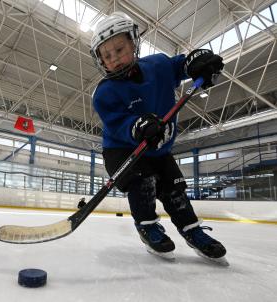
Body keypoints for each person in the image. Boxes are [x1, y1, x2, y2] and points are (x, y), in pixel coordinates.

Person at [91, 12, 227, 262]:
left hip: (158, 149)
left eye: (120, 49)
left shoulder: (158, 65)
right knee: (142, 181)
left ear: (133, 44)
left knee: (174, 187)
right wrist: (139, 126)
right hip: (122, 151)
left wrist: (197, 62)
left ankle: (193, 231)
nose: (115, 59)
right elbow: (119, 123)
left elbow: (182, 66)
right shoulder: (104, 93)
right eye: (107, 56)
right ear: (101, 62)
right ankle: (148, 226)